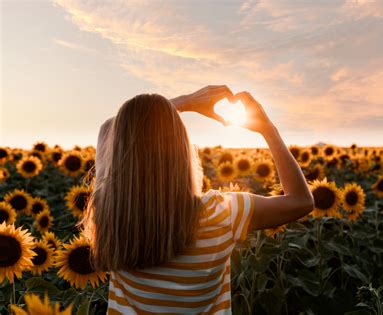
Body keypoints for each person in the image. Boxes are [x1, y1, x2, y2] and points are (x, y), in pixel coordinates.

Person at [82, 85, 314, 314]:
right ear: (182, 148)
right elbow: (300, 201)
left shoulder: (108, 211)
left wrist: (184, 102)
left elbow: (106, 129)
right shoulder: (220, 214)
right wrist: (268, 130)